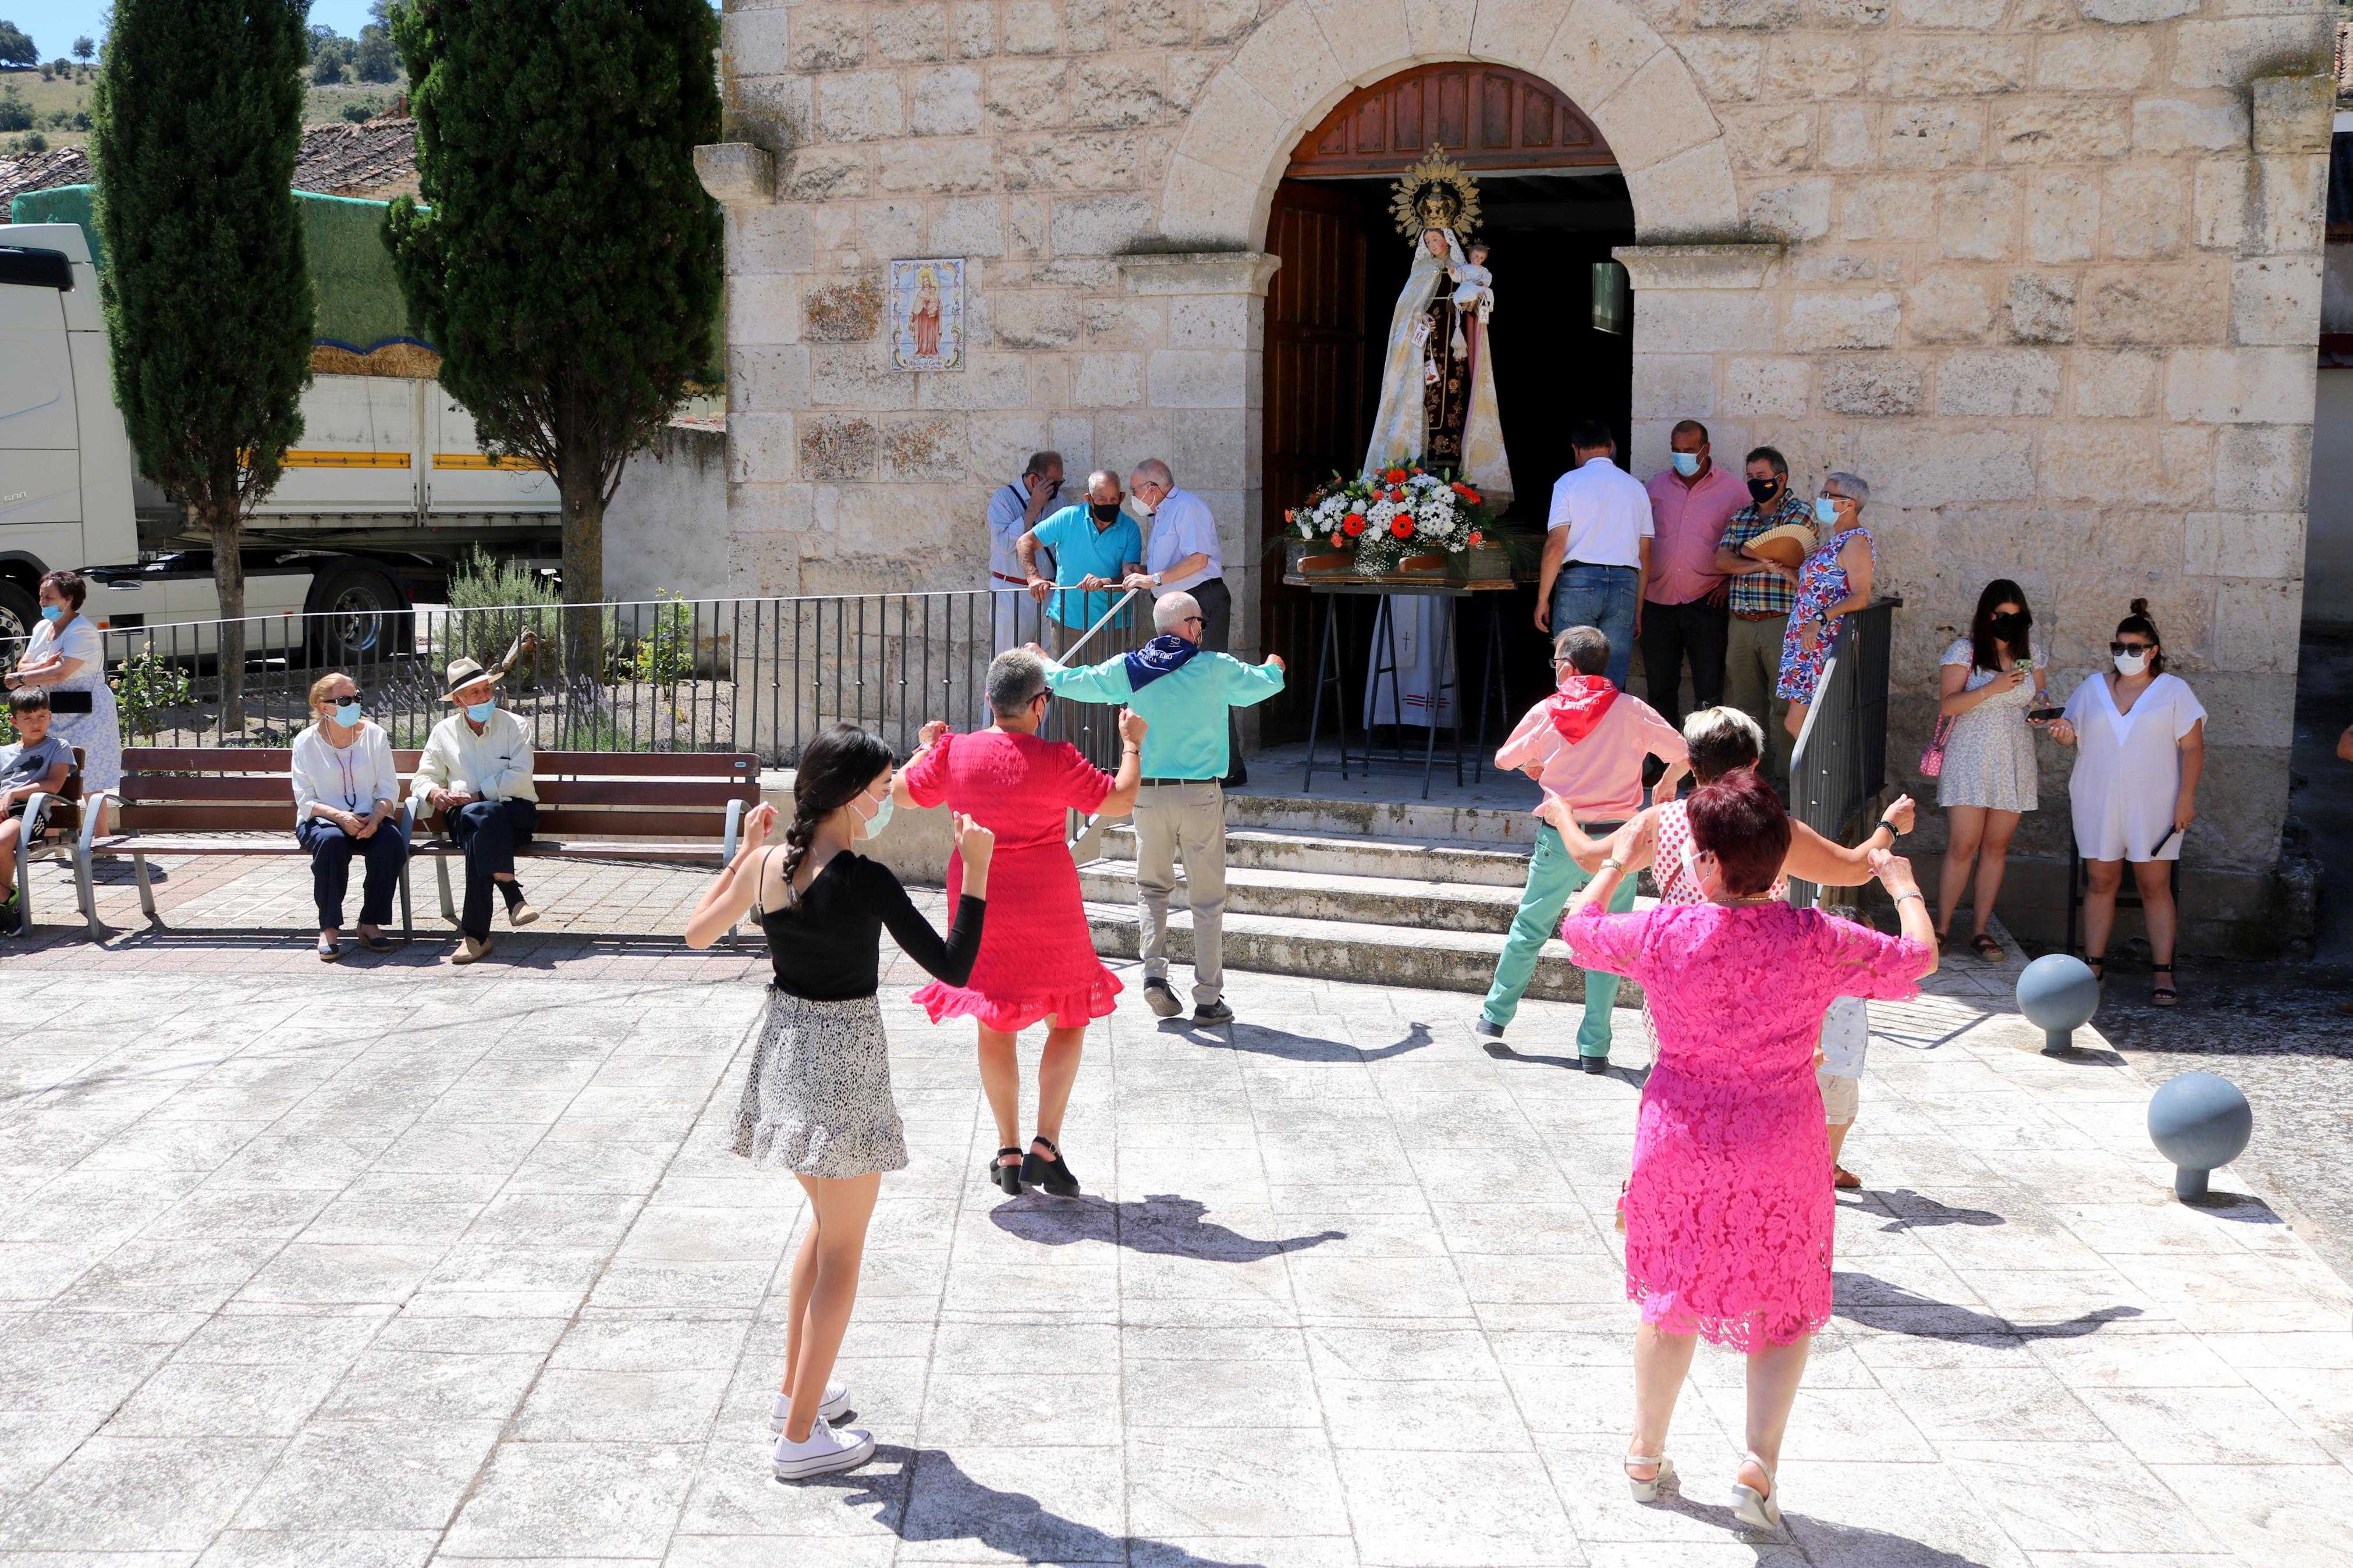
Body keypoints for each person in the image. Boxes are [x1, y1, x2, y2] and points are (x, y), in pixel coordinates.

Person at [1560, 770, 1935, 1531]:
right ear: (1781, 858)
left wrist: (1614, 859)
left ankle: (1644, 1450)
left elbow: (1575, 931)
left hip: (1681, 1136)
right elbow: (1914, 959)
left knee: (1669, 1297)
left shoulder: (1665, 932)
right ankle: (1756, 1467)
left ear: (1702, 862)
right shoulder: (1813, 936)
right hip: (1782, 1137)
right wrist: (1900, 883)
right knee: (1782, 1301)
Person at [685, 724, 995, 1481]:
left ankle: (798, 1389)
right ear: (851, 793)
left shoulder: (765, 863)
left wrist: (740, 854)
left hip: (784, 1062)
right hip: (845, 1071)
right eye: (884, 789)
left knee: (824, 1231)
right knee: (842, 1254)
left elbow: (696, 934)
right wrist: (977, 871)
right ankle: (798, 1437)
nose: (888, 799)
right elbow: (953, 963)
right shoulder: (864, 877)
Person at [1542, 706, 1918, 1191]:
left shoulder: (1662, 822)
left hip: (1680, 971)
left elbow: (1589, 858)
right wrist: (1887, 827)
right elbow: (1851, 867)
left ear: (1694, 766)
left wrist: (1563, 816)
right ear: (1755, 765)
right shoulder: (1773, 828)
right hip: (1765, 973)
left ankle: (1668, 1178)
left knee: (1677, 1082)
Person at [894, 649, 1146, 1196]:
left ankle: (1008, 1151)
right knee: (1069, 1015)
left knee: (994, 1021)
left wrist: (924, 749)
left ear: (988, 701)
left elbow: (900, 793)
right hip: (1047, 902)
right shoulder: (1055, 757)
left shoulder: (954, 752)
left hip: (980, 902)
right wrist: (1131, 742)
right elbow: (1121, 798)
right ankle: (1044, 1147)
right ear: (1038, 704)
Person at [1037, 591, 1286, 1026]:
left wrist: (1044, 665)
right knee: (1206, 899)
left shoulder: (1129, 668)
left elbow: (1075, 680)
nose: (1202, 631)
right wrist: (1274, 666)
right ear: (1190, 625)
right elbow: (1261, 686)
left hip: (1148, 794)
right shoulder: (1213, 667)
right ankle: (1208, 998)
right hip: (1200, 795)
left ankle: (1154, 974)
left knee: (1152, 887)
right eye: (1201, 624)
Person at [1477, 626, 1687, 1068]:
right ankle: (1594, 1047)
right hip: (1619, 841)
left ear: (1567, 666)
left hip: (1560, 833)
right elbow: (1684, 751)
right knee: (1606, 940)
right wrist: (1666, 782)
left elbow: (1504, 758)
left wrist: (1538, 764)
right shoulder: (1633, 709)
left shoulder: (1547, 710)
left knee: (1530, 926)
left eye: (1556, 662)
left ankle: (1495, 1015)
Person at [2047, 599, 2205, 1006]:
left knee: (2155, 884)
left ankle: (2163, 973)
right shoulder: (2092, 687)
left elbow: (2193, 748)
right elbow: (2073, 735)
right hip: (2095, 797)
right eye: (2118, 648)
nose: (2125, 656)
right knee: (2100, 880)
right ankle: (2093, 967)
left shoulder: (2174, 691)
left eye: (2134, 648)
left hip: (2155, 803)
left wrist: (2185, 799)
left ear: (2152, 651)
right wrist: (2062, 732)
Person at [1933, 581, 2052, 961]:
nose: (2010, 624)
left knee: (1996, 846)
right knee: (1962, 845)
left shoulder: (2029, 654)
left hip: (2013, 754)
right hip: (1970, 754)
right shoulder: (1964, 651)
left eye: (2018, 618)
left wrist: (2042, 714)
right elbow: (1948, 705)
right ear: (1988, 615)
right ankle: (1940, 928)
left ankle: (1980, 930)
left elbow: (2039, 697)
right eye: (2003, 617)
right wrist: (1994, 687)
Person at [1123, 459, 1247, 787]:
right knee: (1184, 681)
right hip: (1177, 607)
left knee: (1209, 679)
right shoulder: (1162, 513)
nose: (1133, 496)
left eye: (1135, 489)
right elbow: (1170, 564)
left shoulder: (1188, 507)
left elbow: (1199, 559)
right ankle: (1196, 764)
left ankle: (1230, 767)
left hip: (1201, 603)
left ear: (1152, 488)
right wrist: (1145, 573)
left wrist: (1155, 578)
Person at [410, 657, 542, 965]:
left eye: (487, 690)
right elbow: (423, 777)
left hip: (514, 814)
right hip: (464, 815)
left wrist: (477, 795)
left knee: (483, 819)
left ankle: (476, 936)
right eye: (475, 693)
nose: (485, 697)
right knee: (481, 819)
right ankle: (512, 895)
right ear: (458, 701)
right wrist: (434, 792)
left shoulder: (515, 725)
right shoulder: (443, 732)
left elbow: (520, 776)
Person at [1713, 446, 1812, 787]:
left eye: (1761, 477)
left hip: (1781, 621)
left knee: (1785, 707)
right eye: (1750, 477)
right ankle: (1754, 781)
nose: (1755, 483)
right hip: (1741, 623)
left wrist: (1748, 550)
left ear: (1780, 478)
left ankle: (1788, 783)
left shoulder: (1801, 514)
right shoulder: (1742, 515)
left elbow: (1786, 550)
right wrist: (1761, 561)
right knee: (1745, 707)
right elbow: (1722, 561)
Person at [290, 673, 406, 961]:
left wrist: (378, 817)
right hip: (323, 819)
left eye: (356, 698)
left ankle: (370, 924)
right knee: (331, 843)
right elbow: (305, 798)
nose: (353, 704)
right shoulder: (305, 742)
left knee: (390, 843)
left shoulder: (375, 735)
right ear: (324, 706)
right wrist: (339, 816)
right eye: (344, 700)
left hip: (370, 816)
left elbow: (388, 788)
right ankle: (328, 928)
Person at [1639, 419, 1741, 738]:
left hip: (1707, 602)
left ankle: (1705, 767)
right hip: (1657, 603)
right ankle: (1663, 766)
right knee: (1659, 689)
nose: (1681, 456)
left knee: (1709, 694)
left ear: (1706, 449)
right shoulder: (1653, 488)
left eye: (1688, 450)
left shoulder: (1735, 491)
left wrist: (1729, 583)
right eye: (1676, 450)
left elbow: (1751, 542)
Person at [1536, 422, 1652, 692]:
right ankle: (1608, 732)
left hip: (1579, 581)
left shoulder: (1568, 483)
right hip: (1625, 583)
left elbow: (1556, 546)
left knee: (1571, 675)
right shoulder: (1636, 488)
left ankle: (1573, 733)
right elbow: (1645, 555)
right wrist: (1639, 608)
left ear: (1575, 449)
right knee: (1613, 677)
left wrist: (1543, 598)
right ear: (1611, 448)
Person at [4, 570, 122, 798]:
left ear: (68, 600)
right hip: (55, 712)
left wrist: (21, 679)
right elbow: (23, 665)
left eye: (48, 598)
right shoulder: (42, 628)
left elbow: (60, 673)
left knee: (90, 780)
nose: (42, 602)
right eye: (41, 597)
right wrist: (42, 668)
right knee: (53, 776)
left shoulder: (82, 631)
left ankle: (101, 834)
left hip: (87, 714)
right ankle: (60, 831)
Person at [1775, 472, 1876, 740]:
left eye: (1828, 496)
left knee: (1801, 725)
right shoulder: (1836, 540)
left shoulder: (1856, 542)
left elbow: (1860, 596)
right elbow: (1821, 590)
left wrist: (1819, 619)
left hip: (1822, 642)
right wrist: (1790, 573)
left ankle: (1823, 780)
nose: (1821, 500)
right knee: (1807, 724)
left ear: (1849, 504)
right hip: (1808, 643)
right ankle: (1820, 780)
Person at [1017, 469, 1144, 653]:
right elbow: (1025, 542)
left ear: (1122, 498)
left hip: (1113, 623)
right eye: (1102, 499)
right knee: (1065, 679)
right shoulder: (1068, 517)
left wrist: (1105, 583)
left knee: (1106, 682)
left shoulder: (1130, 529)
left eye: (1114, 499)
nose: (1108, 504)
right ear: (1089, 499)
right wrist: (1034, 578)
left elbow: (1130, 576)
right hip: (1067, 620)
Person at [0, 690, 73, 930]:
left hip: (30, 811)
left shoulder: (58, 747)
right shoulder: (4, 753)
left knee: (1, 842)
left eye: (42, 717)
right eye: (28, 719)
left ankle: (6, 902)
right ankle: (7, 901)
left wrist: (14, 793)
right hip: (3, 806)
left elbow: (53, 784)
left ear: (50, 717)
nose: (36, 724)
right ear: (14, 722)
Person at [988, 451, 1062, 650]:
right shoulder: (1003, 499)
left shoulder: (1058, 501)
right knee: (1007, 661)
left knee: (1048, 661)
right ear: (1034, 480)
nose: (1057, 489)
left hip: (1048, 591)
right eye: (1053, 484)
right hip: (1013, 592)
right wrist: (1034, 508)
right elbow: (1005, 545)